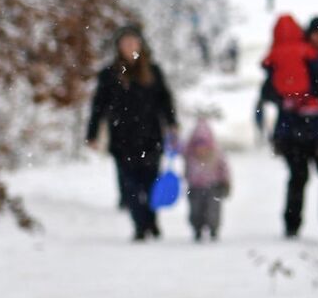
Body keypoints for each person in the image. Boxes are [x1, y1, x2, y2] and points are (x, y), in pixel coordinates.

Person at [256, 14, 318, 239]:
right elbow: (268, 92)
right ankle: (292, 225)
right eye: (317, 33)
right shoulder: (295, 57)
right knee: (298, 177)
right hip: (292, 131)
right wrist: (292, 101)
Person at [86, 24, 179, 242]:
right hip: (122, 140)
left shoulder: (153, 71)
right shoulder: (110, 74)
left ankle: (151, 220)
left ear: (141, 45)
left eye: (133, 42)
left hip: (151, 138)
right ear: (118, 47)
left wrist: (172, 124)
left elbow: (165, 101)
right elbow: (98, 106)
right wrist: (92, 134)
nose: (129, 47)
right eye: (125, 43)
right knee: (130, 186)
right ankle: (140, 225)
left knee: (150, 183)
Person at [183, 118, 231, 242]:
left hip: (213, 188)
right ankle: (197, 228)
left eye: (204, 144)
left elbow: (224, 169)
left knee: (213, 211)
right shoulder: (190, 155)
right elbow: (185, 166)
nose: (201, 149)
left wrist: (226, 183)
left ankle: (214, 228)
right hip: (195, 189)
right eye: (198, 145)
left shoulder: (217, 155)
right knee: (195, 211)